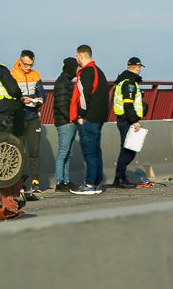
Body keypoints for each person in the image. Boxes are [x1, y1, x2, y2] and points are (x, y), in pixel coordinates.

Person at [69, 44, 109, 195]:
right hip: (98, 117)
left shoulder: (85, 73)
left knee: (89, 152)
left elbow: (83, 96)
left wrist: (80, 115)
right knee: (96, 150)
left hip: (88, 118)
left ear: (81, 56)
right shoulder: (99, 72)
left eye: (77, 56)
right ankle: (97, 183)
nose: (76, 59)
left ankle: (90, 184)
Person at [10, 50, 48, 193]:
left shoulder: (35, 74)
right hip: (18, 118)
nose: (28, 67)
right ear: (20, 60)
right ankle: (18, 183)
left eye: (30, 65)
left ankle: (35, 182)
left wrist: (40, 100)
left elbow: (42, 92)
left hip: (32, 117)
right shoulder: (12, 74)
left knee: (34, 151)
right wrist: (21, 100)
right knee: (18, 151)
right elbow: (10, 95)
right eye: (25, 64)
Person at [112, 56, 147, 188]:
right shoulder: (129, 83)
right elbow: (128, 105)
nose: (139, 70)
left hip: (124, 120)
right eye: (139, 67)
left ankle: (120, 178)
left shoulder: (123, 80)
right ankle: (119, 178)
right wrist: (135, 121)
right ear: (137, 68)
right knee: (128, 150)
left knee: (128, 149)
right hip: (126, 120)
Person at [51, 56, 79, 192]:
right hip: (65, 122)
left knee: (68, 153)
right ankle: (59, 182)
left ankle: (66, 180)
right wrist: (70, 118)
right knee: (63, 152)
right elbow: (62, 105)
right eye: (76, 67)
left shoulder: (66, 81)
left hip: (69, 121)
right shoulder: (62, 83)